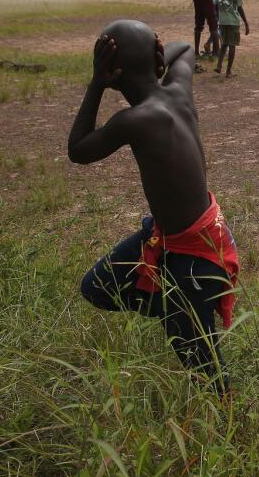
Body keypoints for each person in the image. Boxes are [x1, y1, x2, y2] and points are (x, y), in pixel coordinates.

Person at [69, 20, 239, 390]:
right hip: (183, 237)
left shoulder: (134, 120)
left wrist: (96, 83)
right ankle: (178, 313)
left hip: (194, 256)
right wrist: (158, 54)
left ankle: (188, 322)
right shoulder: (177, 89)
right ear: (156, 59)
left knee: (207, 372)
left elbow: (77, 150)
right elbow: (186, 49)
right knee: (96, 286)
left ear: (112, 71)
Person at [214, 0, 249, 78]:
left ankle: (219, 65)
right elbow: (239, 8)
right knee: (232, 46)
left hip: (222, 21)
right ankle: (228, 71)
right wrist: (246, 23)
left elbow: (216, 6)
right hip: (233, 22)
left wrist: (218, 18)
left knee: (224, 44)